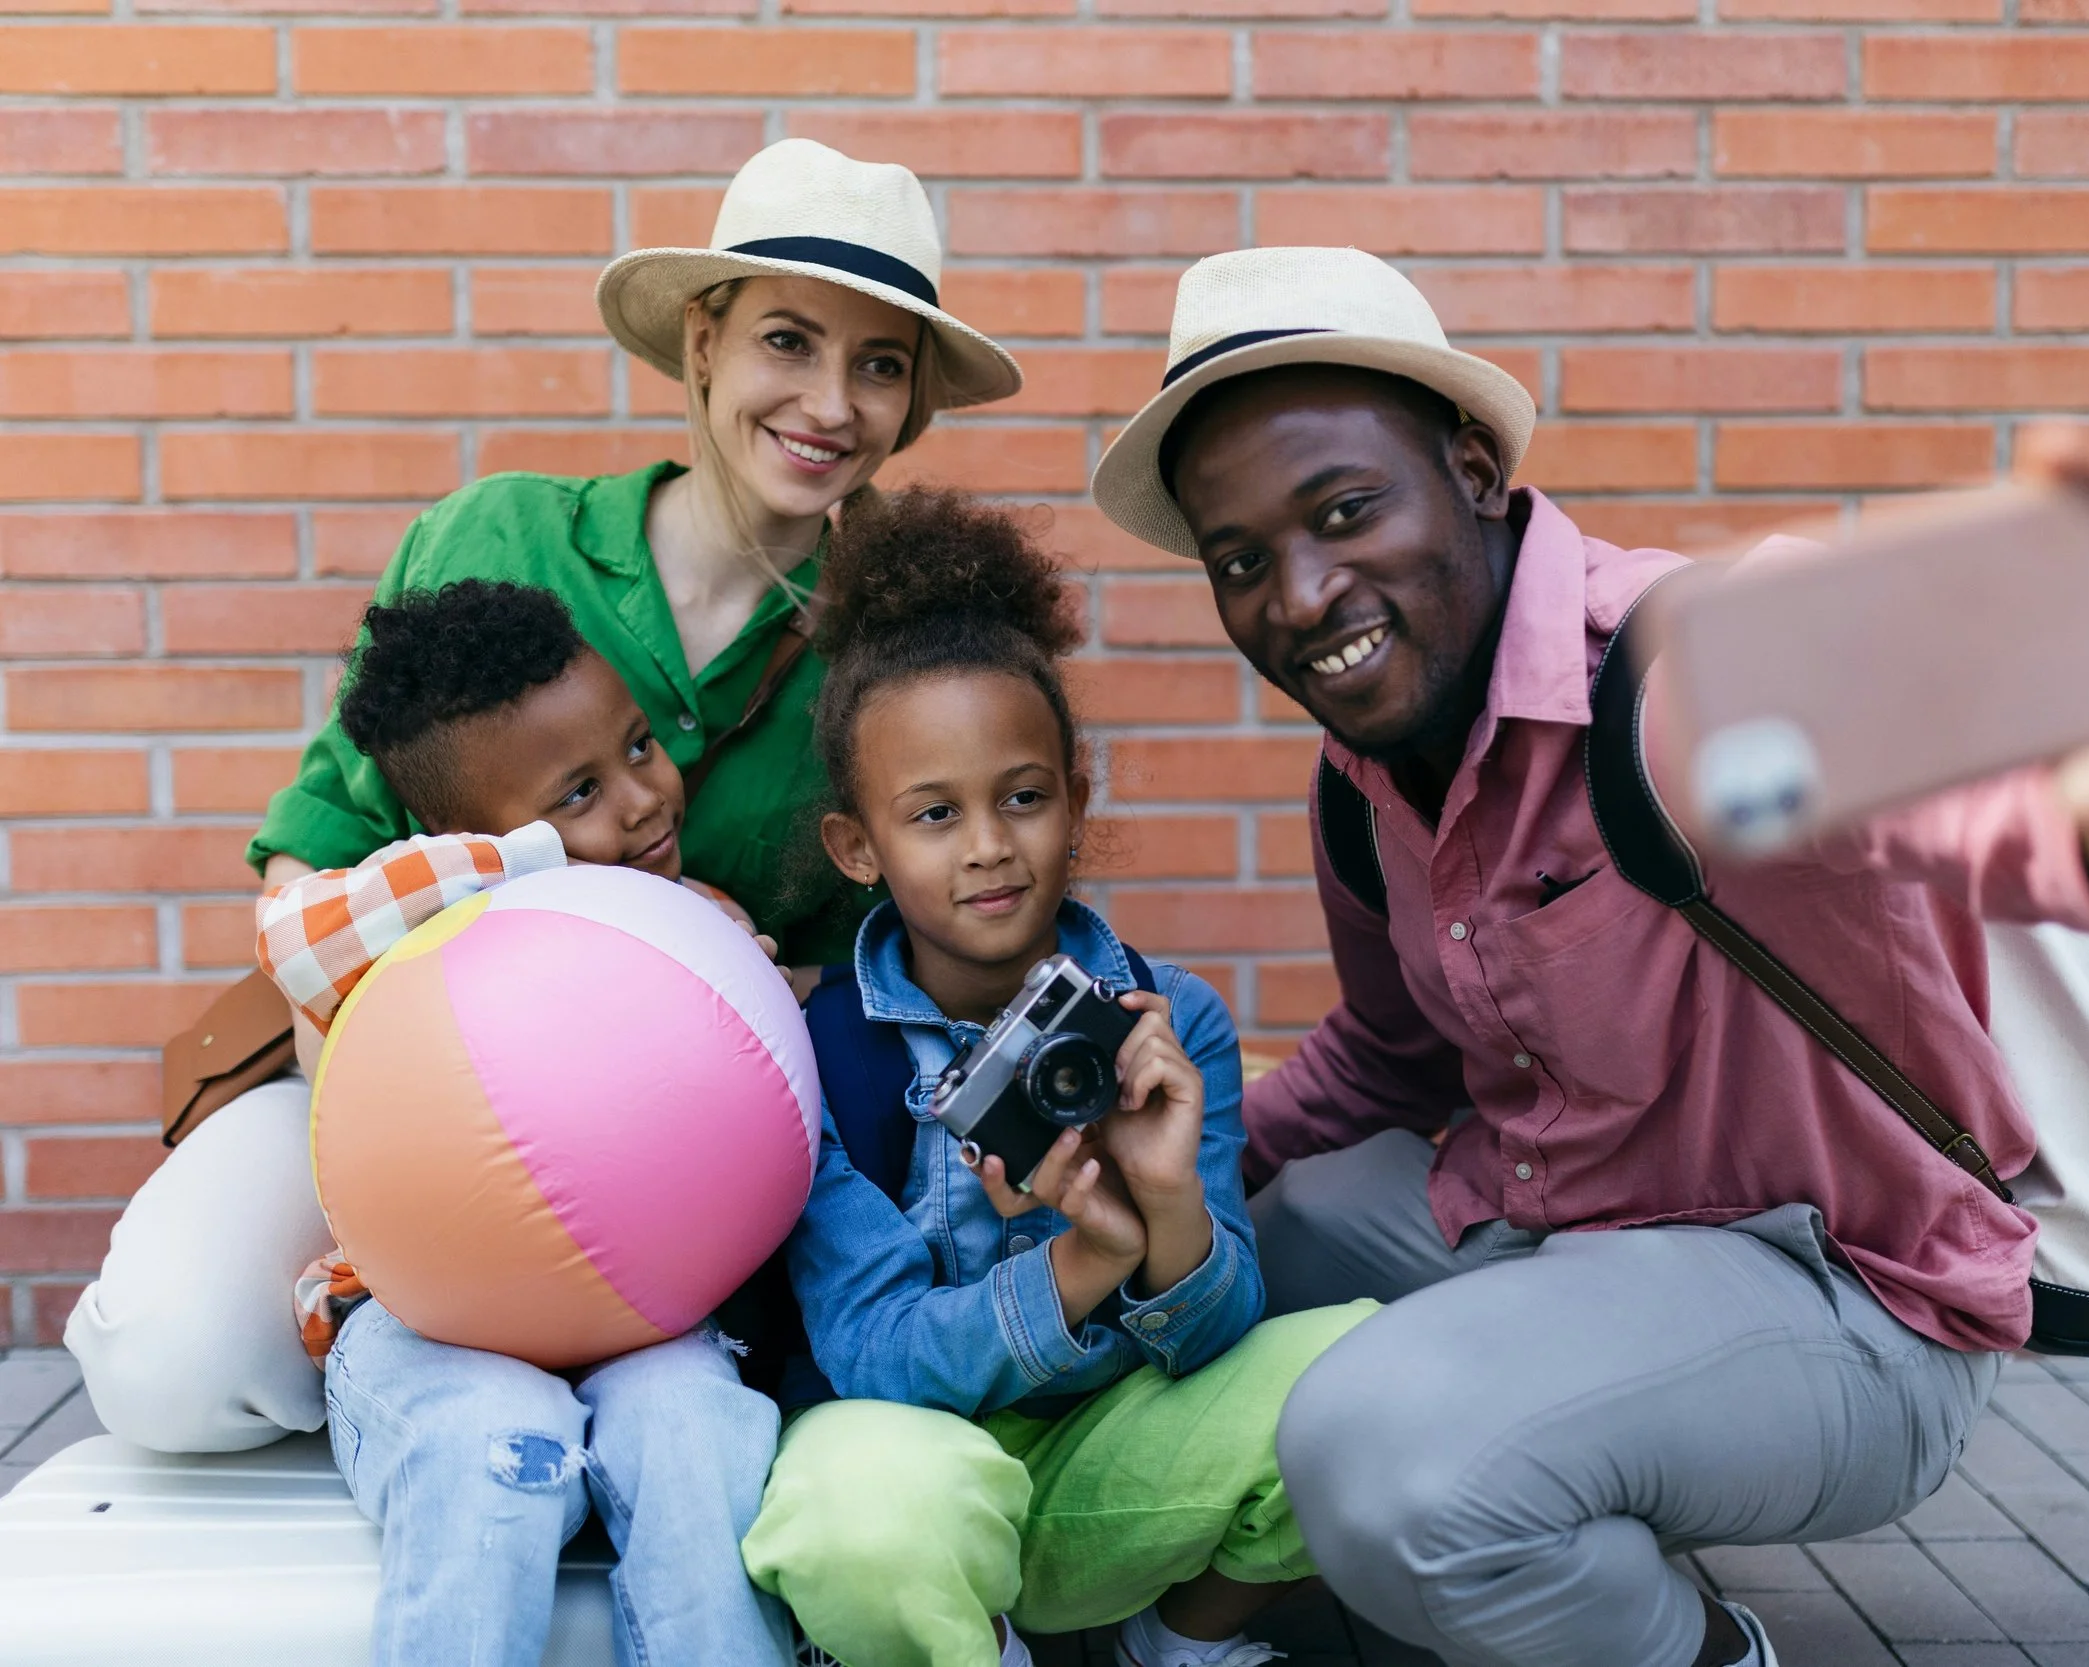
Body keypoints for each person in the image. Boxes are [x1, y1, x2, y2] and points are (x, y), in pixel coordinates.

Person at [1087, 246, 2089, 1667]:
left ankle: (1693, 1643)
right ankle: (1500, 1522)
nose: (1301, 594)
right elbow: (1387, 1058)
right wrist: (1144, 1160)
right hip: (1568, 1238)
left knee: (1378, 1452)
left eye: (1345, 510)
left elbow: (2021, 799)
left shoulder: (1687, 670)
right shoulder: (1363, 778)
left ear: (1476, 468)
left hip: (1844, 1300)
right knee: (1277, 1220)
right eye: (1241, 560)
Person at [68, 138, 1024, 1454]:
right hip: (384, 1080)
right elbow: (312, 866)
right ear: (703, 342)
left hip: (691, 1143)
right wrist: (395, 1143)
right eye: (789, 342)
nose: (829, 402)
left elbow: (900, 964)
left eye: (879, 363)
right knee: (171, 1362)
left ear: (912, 403)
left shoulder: (895, 650)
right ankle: (397, 1376)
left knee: (683, 1416)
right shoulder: (496, 541)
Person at [735, 488, 1374, 1667]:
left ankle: (1175, 1641)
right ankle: (955, 1637)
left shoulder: (1165, 1019)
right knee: (856, 1510)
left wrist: (1169, 1203)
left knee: (1376, 1373)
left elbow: (1218, 1335)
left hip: (1107, 1465)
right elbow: (871, 1352)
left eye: (1022, 796)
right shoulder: (817, 1055)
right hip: (921, 1475)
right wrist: (1087, 1259)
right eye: (934, 814)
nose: (988, 843)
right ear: (856, 846)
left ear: (1076, 796)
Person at [255, 579, 788, 1667]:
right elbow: (291, 936)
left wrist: (573, 832)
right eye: (580, 788)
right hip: (425, 1323)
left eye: (639, 747)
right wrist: (532, 857)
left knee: (695, 1439)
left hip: (645, 1321)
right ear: (462, 836)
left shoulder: (691, 924)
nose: (641, 800)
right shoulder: (413, 932)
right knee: (489, 1441)